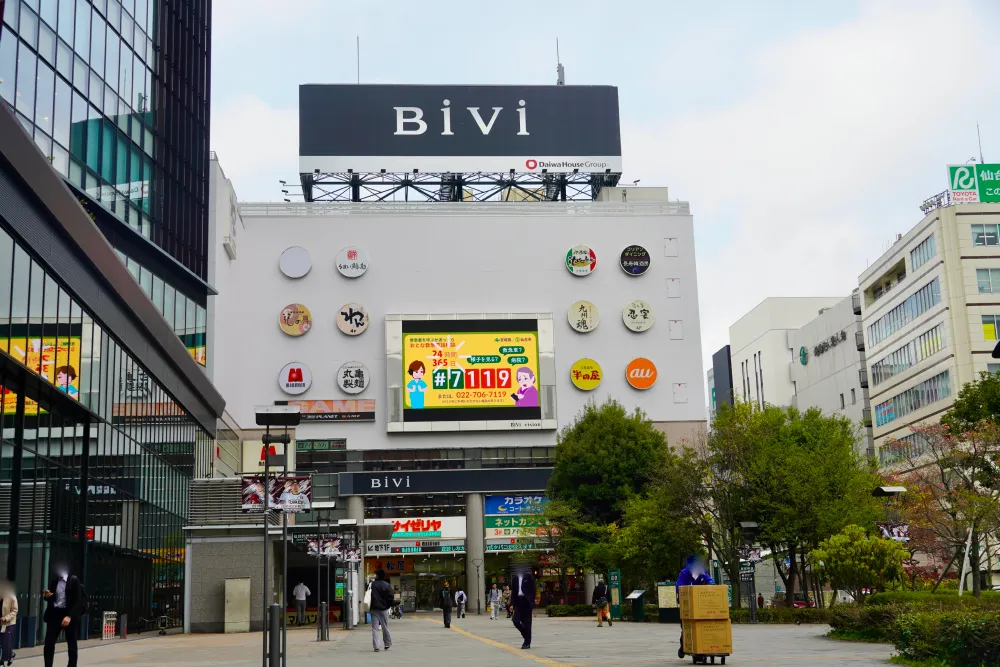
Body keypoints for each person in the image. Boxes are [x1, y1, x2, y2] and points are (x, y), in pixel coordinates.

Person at [43, 565, 85, 667]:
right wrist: (47, 596)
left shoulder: (74, 581)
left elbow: (78, 601)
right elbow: (53, 599)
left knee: (71, 644)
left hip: (69, 614)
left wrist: (69, 616)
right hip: (55, 614)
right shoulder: (54, 581)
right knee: (49, 643)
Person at [676, 555, 714, 658]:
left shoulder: (702, 572)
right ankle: (683, 647)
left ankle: (702, 647)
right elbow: (679, 586)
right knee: (686, 627)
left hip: (702, 605)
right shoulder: (684, 573)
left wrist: (710, 584)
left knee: (702, 626)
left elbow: (710, 581)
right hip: (688, 606)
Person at [509, 566, 536, 649]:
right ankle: (526, 635)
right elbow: (513, 592)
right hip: (518, 602)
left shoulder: (529, 577)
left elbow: (533, 590)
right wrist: (511, 604)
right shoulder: (514, 579)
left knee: (527, 623)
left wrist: (531, 601)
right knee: (515, 620)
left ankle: (527, 643)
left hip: (526, 602)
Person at [369, 570, 394, 652]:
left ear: (378, 576)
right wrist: (387, 605)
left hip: (374, 609)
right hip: (383, 609)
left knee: (374, 629)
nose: (375, 575)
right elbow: (391, 596)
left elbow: (368, 594)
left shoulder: (372, 584)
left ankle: (376, 647)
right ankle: (387, 645)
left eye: (376, 574)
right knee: (385, 627)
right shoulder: (386, 585)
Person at [0, 580, 17, 666]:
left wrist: (6, 618)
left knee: (5, 643)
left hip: (8, 623)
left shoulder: (11, 596)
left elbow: (15, 610)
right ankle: (2, 661)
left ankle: (9, 655)